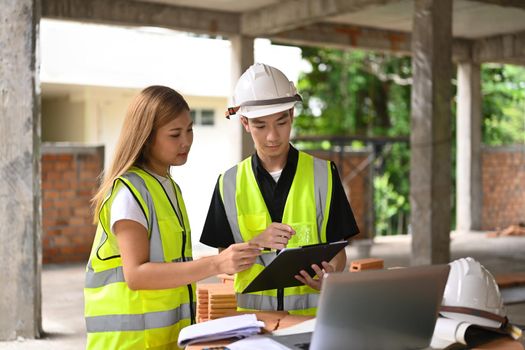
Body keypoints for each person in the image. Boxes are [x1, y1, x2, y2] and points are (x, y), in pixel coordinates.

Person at [84, 86, 260, 350]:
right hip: (129, 344)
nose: (186, 141)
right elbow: (137, 275)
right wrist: (216, 264)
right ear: (146, 138)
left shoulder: (167, 187)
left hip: (163, 341)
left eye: (189, 130)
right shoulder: (130, 193)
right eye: (175, 134)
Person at [200, 63, 360, 316]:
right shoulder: (228, 183)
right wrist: (255, 243)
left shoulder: (324, 174)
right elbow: (225, 265)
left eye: (281, 122)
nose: (272, 136)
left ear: (292, 115)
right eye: (260, 125)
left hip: (311, 323)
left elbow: (339, 250)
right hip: (251, 324)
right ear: (244, 123)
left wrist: (332, 272)